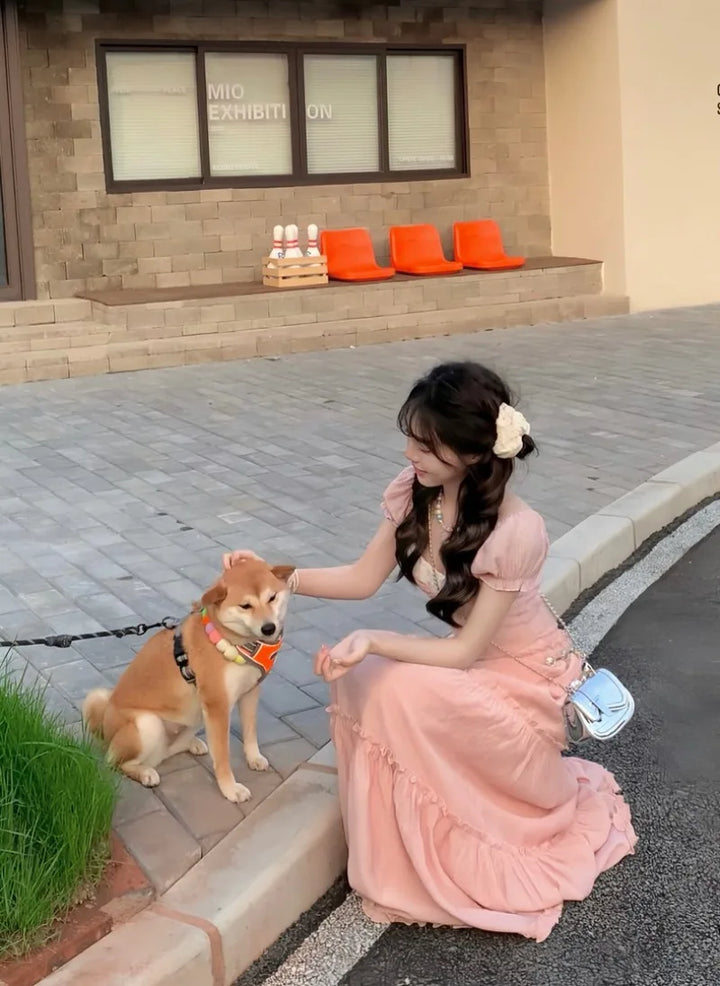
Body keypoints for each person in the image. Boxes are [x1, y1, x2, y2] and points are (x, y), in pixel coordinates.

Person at [223, 361, 636, 942]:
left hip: (522, 685)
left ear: (470, 451)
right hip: (472, 665)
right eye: (410, 439)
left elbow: (465, 651)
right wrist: (273, 577)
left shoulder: (516, 530)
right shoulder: (417, 493)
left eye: (425, 444)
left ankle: (444, 848)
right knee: (360, 676)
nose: (409, 453)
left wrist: (373, 640)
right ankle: (394, 852)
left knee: (389, 682)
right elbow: (363, 578)